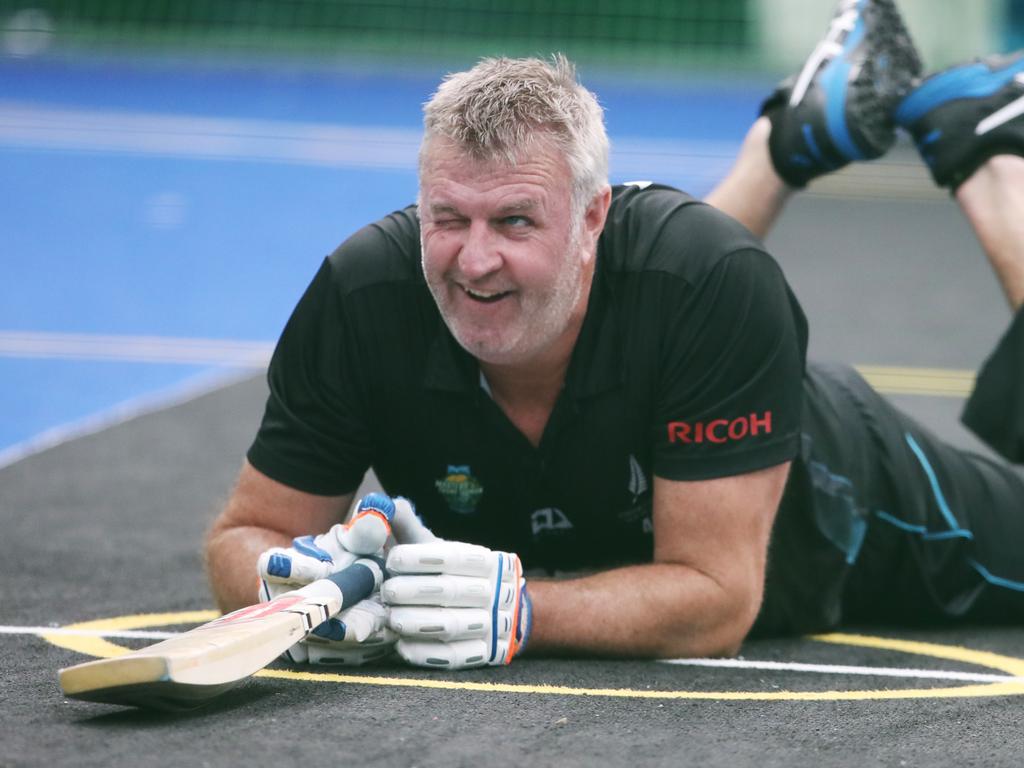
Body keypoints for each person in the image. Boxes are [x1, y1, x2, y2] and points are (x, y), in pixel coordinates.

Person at [205, 0, 1024, 669]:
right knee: (608, 289)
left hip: (843, 508)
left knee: (681, 279)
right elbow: (243, 538)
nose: (473, 258)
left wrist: (521, 606)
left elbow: (716, 602)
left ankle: (987, 161)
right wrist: (308, 590)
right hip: (650, 344)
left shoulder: (712, 279)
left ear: (594, 215)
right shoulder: (365, 294)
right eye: (446, 218)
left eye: (515, 218)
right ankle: (784, 144)